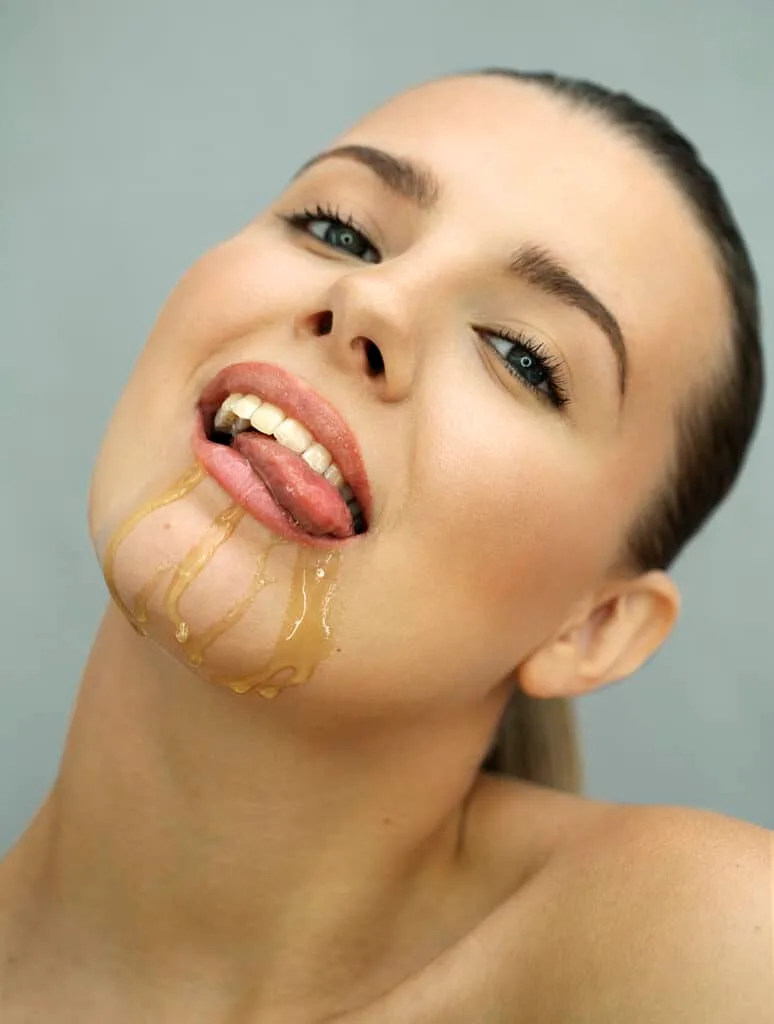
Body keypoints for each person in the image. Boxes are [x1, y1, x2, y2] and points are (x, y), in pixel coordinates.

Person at [0, 69, 769, 1023]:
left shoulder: (721, 954)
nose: (371, 300)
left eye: (522, 355)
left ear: (597, 626)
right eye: (337, 230)